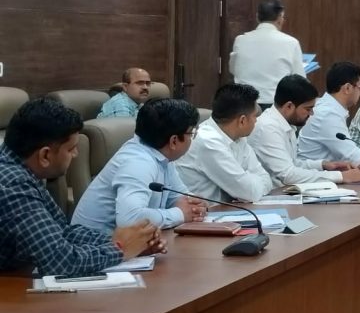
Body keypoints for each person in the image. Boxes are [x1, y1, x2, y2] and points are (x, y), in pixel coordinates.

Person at [0, 98, 163, 276]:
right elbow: (61, 261)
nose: (76, 154)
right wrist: (120, 249)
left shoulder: (22, 169)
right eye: (71, 149)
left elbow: (62, 231)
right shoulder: (13, 183)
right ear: (45, 155)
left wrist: (130, 240)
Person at [72, 98, 206, 234]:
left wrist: (194, 206)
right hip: (92, 243)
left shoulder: (162, 155)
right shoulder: (138, 163)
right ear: (174, 141)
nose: (192, 138)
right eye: (191, 133)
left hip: (127, 242)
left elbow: (178, 197)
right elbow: (130, 220)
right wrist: (180, 214)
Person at [249, 74, 360, 186]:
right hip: (271, 194)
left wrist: (323, 165)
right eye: (308, 109)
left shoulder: (285, 124)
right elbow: (288, 175)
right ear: (289, 106)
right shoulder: (268, 128)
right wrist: (340, 176)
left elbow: (293, 163)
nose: (311, 114)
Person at [176, 84, 273, 203]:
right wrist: (249, 181)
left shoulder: (239, 137)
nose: (256, 120)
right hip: (206, 211)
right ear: (242, 121)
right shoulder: (208, 141)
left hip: (230, 209)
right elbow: (249, 193)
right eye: (254, 116)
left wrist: (249, 183)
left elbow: (266, 179)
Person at [297, 62, 360, 168]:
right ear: (347, 88)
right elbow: (357, 160)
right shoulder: (328, 114)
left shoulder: (329, 108)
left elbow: (350, 157)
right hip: (315, 175)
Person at [229, 0, 305, 109]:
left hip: (244, 105)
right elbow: (299, 80)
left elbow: (233, 70)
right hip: (276, 106)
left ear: (257, 17)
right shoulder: (291, 43)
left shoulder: (240, 40)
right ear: (280, 18)